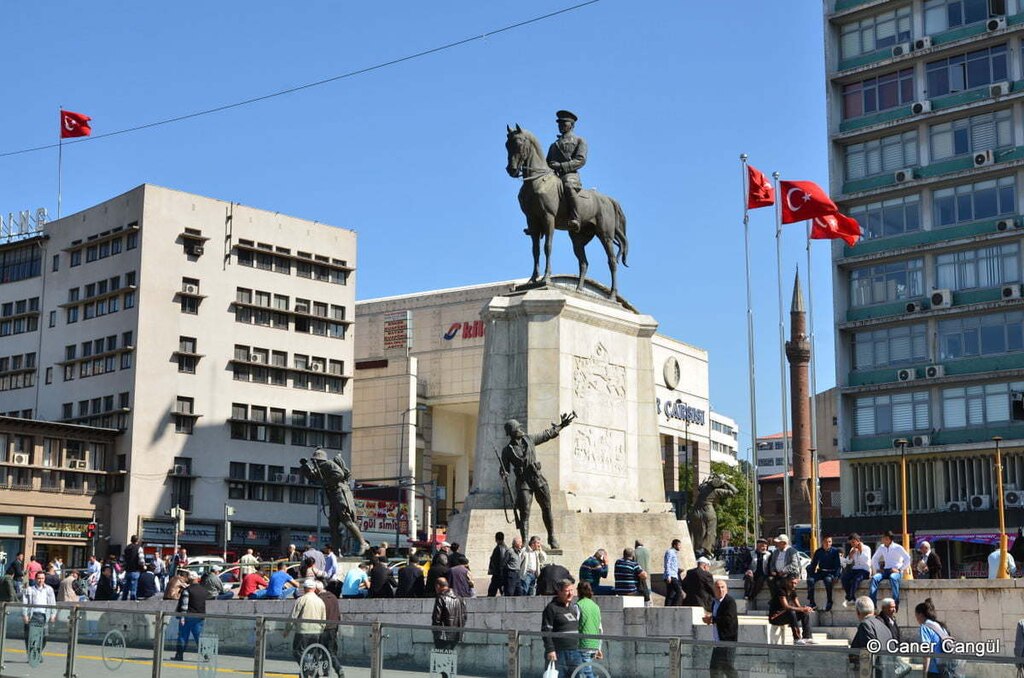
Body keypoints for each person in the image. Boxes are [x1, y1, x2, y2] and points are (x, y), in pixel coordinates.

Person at [500, 414, 574, 549]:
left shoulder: (529, 439)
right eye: (518, 428)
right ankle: (525, 541)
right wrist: (504, 473)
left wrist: (561, 426)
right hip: (523, 482)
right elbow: (504, 469)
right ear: (512, 432)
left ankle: (552, 537)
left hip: (537, 478)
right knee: (524, 513)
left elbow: (546, 434)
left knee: (546, 508)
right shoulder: (507, 450)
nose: (520, 430)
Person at [299, 449, 370, 554]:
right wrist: (305, 468)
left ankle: (363, 543)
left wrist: (327, 482)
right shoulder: (320, 468)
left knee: (347, 520)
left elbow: (339, 474)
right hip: (332, 496)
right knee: (333, 524)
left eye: (316, 460)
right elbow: (313, 477)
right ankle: (337, 550)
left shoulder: (328, 464)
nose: (315, 462)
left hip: (340, 494)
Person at [546, 110, 587, 232]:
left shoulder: (579, 141)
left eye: (564, 123)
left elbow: (580, 160)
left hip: (570, 175)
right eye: (559, 123)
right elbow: (547, 162)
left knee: (568, 186)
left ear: (572, 125)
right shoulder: (554, 145)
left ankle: (576, 217)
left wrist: (561, 166)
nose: (561, 125)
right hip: (554, 176)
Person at [541, 579, 583, 676]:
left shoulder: (573, 608)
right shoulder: (551, 608)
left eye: (572, 590)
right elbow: (546, 631)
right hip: (558, 654)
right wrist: (550, 650)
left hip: (575, 652)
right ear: (559, 592)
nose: (570, 594)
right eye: (567, 591)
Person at [916, 598, 962, 677]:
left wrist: (924, 674)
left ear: (920, 615)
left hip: (935, 671)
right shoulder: (940, 625)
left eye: (916, 615)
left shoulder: (924, 627)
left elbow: (927, 654)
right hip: (946, 669)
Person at [285, 579, 327, 666]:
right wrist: (321, 630)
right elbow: (324, 618)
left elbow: (293, 616)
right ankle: (310, 672)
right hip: (317, 631)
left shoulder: (301, 599)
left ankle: (308, 668)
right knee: (312, 653)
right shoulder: (320, 601)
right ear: (314, 588)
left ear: (304, 588)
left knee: (297, 651)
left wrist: (287, 630)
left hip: (303, 631)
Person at [848, 596, 893, 678]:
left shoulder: (865, 625)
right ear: (873, 610)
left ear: (858, 612)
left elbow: (866, 654)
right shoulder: (884, 626)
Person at [704, 579, 738, 678]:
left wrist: (712, 620)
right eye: (718, 587)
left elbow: (728, 619)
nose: (720, 590)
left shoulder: (729, 601)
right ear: (714, 590)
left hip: (728, 641)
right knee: (714, 669)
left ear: (727, 589)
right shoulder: (715, 603)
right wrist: (710, 619)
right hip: (718, 642)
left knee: (728, 668)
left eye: (723, 587)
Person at [173, 571, 209, 661]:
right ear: (197, 578)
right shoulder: (203, 590)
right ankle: (206, 655)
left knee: (183, 636)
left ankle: (179, 655)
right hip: (200, 617)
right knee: (199, 637)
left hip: (188, 616)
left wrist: (182, 617)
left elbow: (185, 605)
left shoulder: (187, 590)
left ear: (190, 579)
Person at [768, 575, 814, 645]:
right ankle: (797, 638)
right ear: (787, 582)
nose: (793, 585)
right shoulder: (781, 591)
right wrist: (802, 609)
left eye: (795, 583)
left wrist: (805, 609)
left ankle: (807, 637)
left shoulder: (793, 591)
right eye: (791, 583)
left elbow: (799, 606)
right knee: (791, 612)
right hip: (775, 617)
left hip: (786, 615)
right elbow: (786, 607)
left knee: (804, 613)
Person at [870, 531, 910, 608]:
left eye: (885, 538)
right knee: (875, 578)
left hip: (896, 571)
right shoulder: (881, 547)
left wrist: (900, 569)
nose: (883, 540)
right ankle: (873, 603)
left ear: (889, 539)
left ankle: (896, 601)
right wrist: (878, 569)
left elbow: (908, 558)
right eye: (883, 538)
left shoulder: (898, 547)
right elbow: (874, 559)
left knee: (893, 577)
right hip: (885, 570)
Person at [21, 571, 56, 657]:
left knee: (44, 637)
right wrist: (25, 615)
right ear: (35, 579)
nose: (40, 580)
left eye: (42, 578)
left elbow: (53, 603)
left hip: (44, 616)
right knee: (29, 636)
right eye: (39, 578)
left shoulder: (49, 589)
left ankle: (38, 652)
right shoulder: (29, 589)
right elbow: (25, 603)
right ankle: (31, 654)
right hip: (32, 615)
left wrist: (53, 614)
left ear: (45, 579)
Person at [314, 580, 345, 676]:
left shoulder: (318, 599)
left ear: (316, 589)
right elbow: (338, 614)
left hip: (322, 627)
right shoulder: (334, 597)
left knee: (318, 650)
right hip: (333, 627)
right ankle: (338, 669)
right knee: (330, 651)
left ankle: (318, 671)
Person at [806, 535, 842, 611]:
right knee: (810, 580)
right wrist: (810, 574)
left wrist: (836, 576)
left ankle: (829, 601)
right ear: (822, 542)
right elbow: (814, 564)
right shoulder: (818, 551)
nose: (828, 543)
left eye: (830, 542)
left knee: (828, 581)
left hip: (830, 573)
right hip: (821, 571)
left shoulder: (835, 551)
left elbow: (838, 565)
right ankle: (812, 602)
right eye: (826, 542)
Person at [431, 577, 467, 651]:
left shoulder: (441, 598)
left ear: (438, 586)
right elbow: (464, 617)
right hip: (456, 635)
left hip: (443, 635)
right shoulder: (459, 598)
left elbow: (436, 618)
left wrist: (436, 633)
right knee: (449, 657)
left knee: (441, 658)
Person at [576, 582, 603, 678]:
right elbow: (600, 629)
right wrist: (599, 647)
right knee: (586, 671)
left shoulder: (578, 606)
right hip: (594, 644)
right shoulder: (596, 607)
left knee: (586, 673)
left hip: (583, 644)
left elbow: (574, 625)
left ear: (578, 591)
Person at [841, 533, 872, 607]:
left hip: (864, 570)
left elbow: (866, 560)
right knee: (844, 578)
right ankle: (851, 598)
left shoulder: (866, 548)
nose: (852, 544)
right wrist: (850, 555)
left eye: (853, 542)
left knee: (856, 579)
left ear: (858, 541)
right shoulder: (852, 549)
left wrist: (861, 551)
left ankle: (849, 598)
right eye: (851, 543)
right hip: (855, 569)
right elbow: (848, 562)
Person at [742, 538, 771, 610]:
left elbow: (770, 565)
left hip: (763, 573)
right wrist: (748, 570)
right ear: (757, 546)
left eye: (764, 546)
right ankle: (747, 594)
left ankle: (752, 596)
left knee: (760, 581)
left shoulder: (769, 554)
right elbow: (745, 563)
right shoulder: (751, 553)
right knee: (749, 577)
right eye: (761, 546)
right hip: (753, 572)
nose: (763, 547)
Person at [121, 535, 144, 600]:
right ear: (137, 540)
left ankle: (123, 599)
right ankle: (132, 601)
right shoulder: (139, 548)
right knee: (133, 587)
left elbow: (123, 559)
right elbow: (141, 559)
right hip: (135, 570)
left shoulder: (127, 548)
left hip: (127, 570)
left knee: (126, 587)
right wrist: (143, 566)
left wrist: (123, 567)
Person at [487, 532, 509, 597]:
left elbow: (501, 562)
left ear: (496, 539)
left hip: (498, 574)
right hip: (500, 574)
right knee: (500, 591)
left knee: (492, 591)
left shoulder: (500, 548)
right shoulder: (505, 547)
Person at [664, 539, 684, 607]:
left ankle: (668, 607)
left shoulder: (674, 553)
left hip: (674, 575)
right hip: (671, 576)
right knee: (679, 592)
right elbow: (667, 564)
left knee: (670, 594)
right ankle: (674, 606)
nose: (680, 547)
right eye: (679, 545)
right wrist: (668, 576)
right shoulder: (670, 552)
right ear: (675, 545)